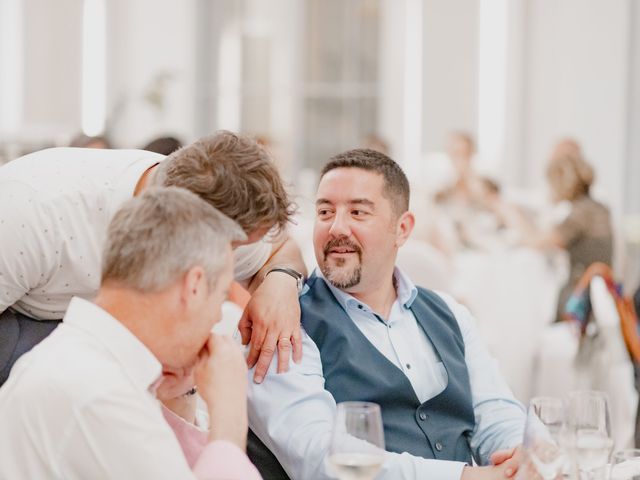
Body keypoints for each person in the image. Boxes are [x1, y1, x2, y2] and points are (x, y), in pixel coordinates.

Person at [248, 149, 526, 479]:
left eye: (357, 212)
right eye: (325, 211)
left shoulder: (451, 314)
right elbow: (318, 456)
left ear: (403, 228)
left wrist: (521, 450)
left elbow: (493, 410)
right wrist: (463, 477)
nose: (337, 227)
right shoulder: (286, 322)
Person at [0, 131, 306, 386]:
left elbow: (283, 250)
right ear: (183, 225)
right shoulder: (29, 214)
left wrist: (280, 281)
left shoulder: (220, 217)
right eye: (233, 246)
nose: (234, 259)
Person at [0, 187, 260, 479]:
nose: (216, 316)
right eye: (221, 295)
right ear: (194, 286)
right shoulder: (101, 394)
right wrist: (230, 413)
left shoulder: (80, 363)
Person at [523, 140, 613, 322]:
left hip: (580, 295)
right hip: (600, 290)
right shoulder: (599, 208)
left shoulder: (579, 215)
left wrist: (504, 209)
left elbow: (538, 243)